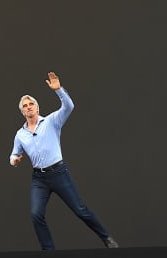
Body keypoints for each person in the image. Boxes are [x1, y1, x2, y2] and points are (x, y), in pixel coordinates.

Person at [9, 72, 118, 250]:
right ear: (22, 111)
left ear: (37, 108)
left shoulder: (52, 121)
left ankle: (106, 238)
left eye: (31, 104)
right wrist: (14, 160)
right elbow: (14, 154)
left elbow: (68, 107)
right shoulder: (20, 134)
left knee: (80, 210)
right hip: (39, 179)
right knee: (36, 214)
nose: (28, 107)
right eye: (25, 106)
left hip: (58, 173)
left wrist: (58, 89)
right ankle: (48, 250)